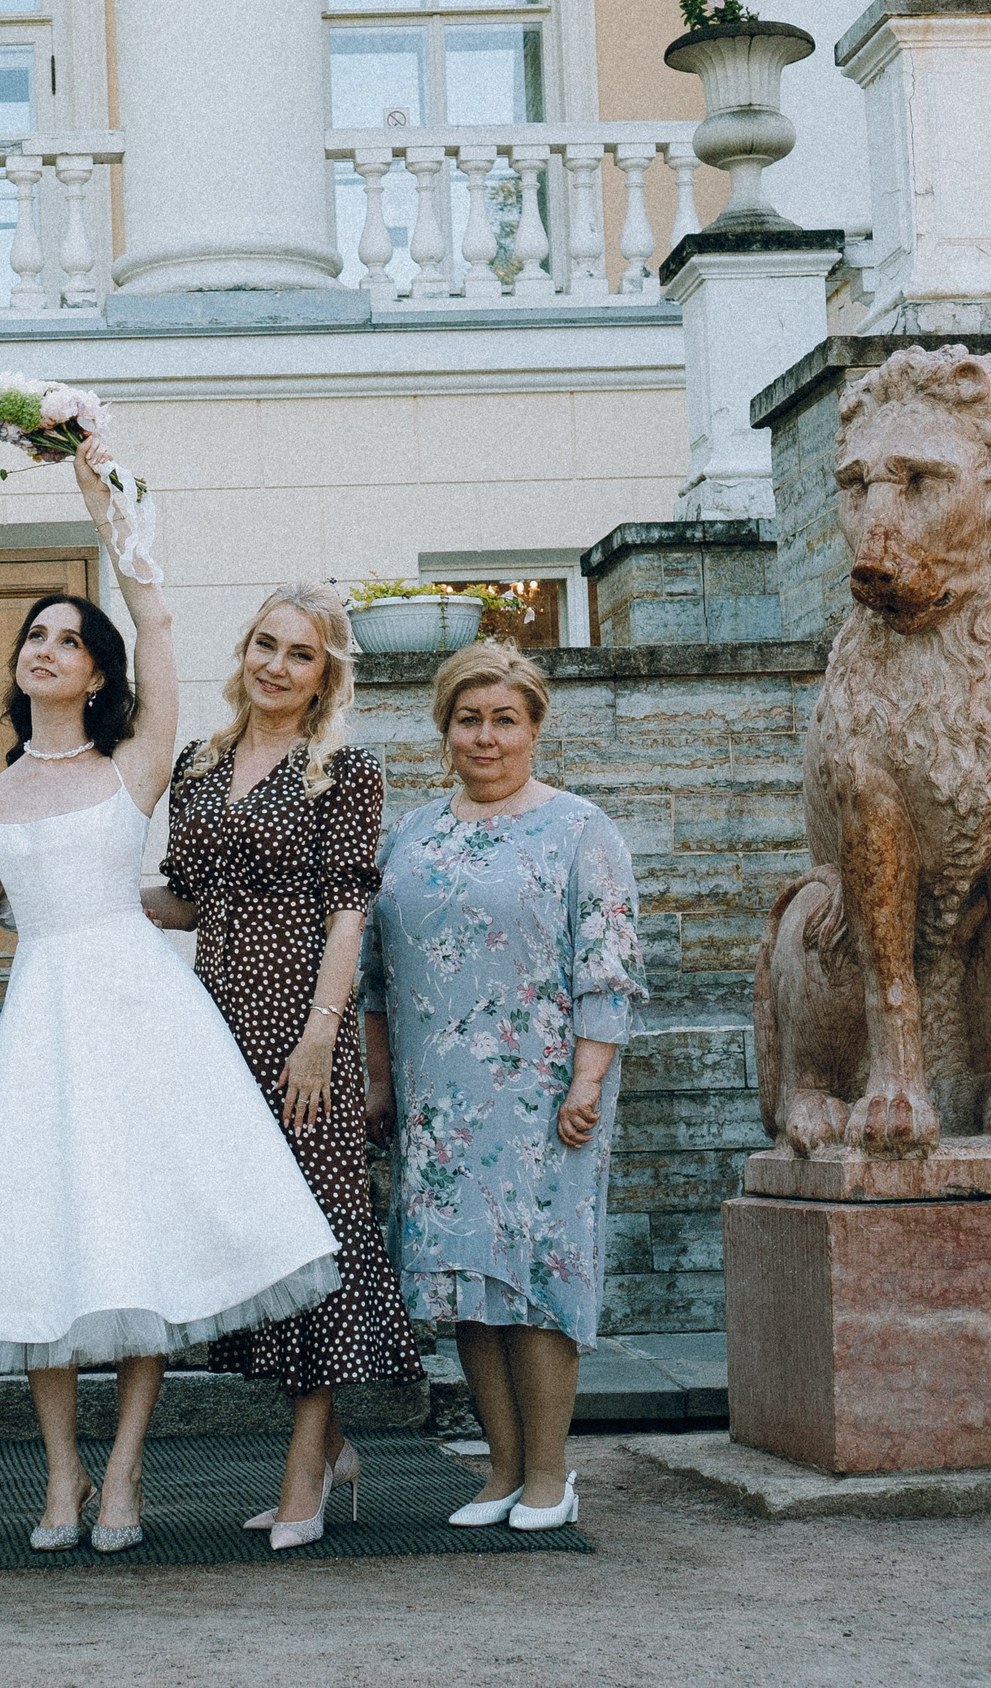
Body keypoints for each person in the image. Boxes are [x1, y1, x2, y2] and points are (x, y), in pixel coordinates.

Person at [0, 459, 340, 1557]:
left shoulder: (135, 764)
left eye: (68, 638)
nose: (45, 648)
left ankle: (123, 1471)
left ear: (96, 671)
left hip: (142, 1016)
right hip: (42, 1024)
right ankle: (60, 1472)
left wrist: (105, 498)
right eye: (34, 637)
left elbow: (156, 623)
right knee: (47, 1240)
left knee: (138, 1239)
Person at [143, 581, 423, 1551]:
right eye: (266, 643)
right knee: (253, 1234)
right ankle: (333, 1445)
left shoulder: (343, 770)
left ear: (324, 675)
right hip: (214, 1030)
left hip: (305, 1031)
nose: (275, 664)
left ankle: (305, 1468)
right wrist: (78, 894)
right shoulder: (198, 763)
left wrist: (320, 1034)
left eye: (300, 653)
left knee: (318, 1238)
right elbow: (187, 900)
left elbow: (349, 913)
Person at [360, 640, 645, 1533]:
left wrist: (588, 1078)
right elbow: (374, 975)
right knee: (464, 1283)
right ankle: (502, 1470)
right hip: (439, 1102)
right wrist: (380, 1082)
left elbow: (609, 966)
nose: (485, 737)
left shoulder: (581, 830)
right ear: (445, 728)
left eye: (504, 720)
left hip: (546, 1097)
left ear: (534, 728)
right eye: (468, 719)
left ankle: (552, 1475)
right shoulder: (410, 835)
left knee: (537, 1280)